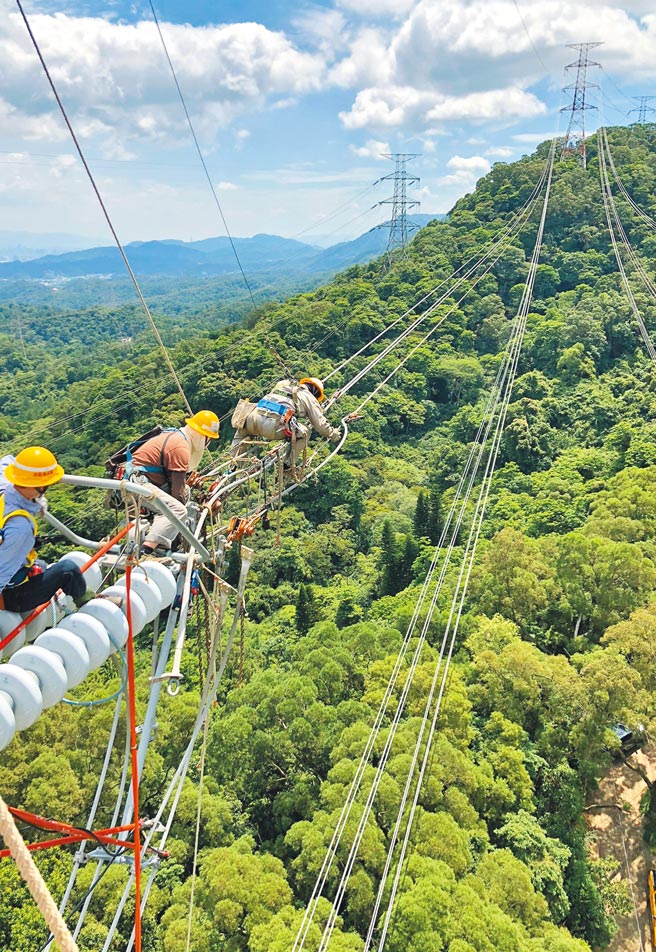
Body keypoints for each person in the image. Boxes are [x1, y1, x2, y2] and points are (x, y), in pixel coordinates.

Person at [0, 446, 86, 613]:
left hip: (14, 566)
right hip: (11, 595)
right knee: (68, 570)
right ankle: (87, 603)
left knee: (43, 565)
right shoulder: (21, 527)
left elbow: (7, 460)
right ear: (41, 486)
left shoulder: (5, 486)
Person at [129, 410, 220, 555]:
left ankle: (161, 533)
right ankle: (149, 549)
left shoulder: (176, 436)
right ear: (201, 436)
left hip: (138, 480)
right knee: (178, 510)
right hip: (138, 483)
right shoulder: (181, 447)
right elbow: (178, 494)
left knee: (186, 494)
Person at [230, 377, 341, 470]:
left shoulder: (283, 387)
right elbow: (320, 425)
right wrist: (333, 433)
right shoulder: (309, 397)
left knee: (240, 435)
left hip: (252, 419)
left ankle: (233, 466)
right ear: (315, 393)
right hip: (274, 427)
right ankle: (288, 465)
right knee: (305, 432)